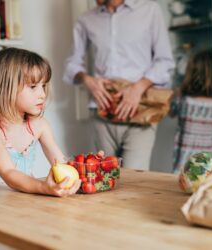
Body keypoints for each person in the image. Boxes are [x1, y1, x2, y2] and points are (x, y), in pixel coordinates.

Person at [0, 48, 81, 197]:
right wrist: (43, 187)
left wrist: (92, 166)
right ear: (6, 88)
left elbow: (61, 164)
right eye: (33, 87)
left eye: (43, 86)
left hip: (13, 200)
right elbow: (9, 172)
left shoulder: (39, 125)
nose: (42, 94)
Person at [63, 0, 175, 170]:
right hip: (103, 113)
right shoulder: (87, 19)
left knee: (134, 182)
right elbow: (72, 64)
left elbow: (165, 62)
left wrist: (138, 88)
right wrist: (88, 80)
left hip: (141, 112)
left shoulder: (150, 10)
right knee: (105, 178)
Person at [170, 50, 212, 173]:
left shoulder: (183, 101)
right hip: (210, 165)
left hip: (184, 166)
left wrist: (176, 93)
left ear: (190, 74)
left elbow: (171, 112)